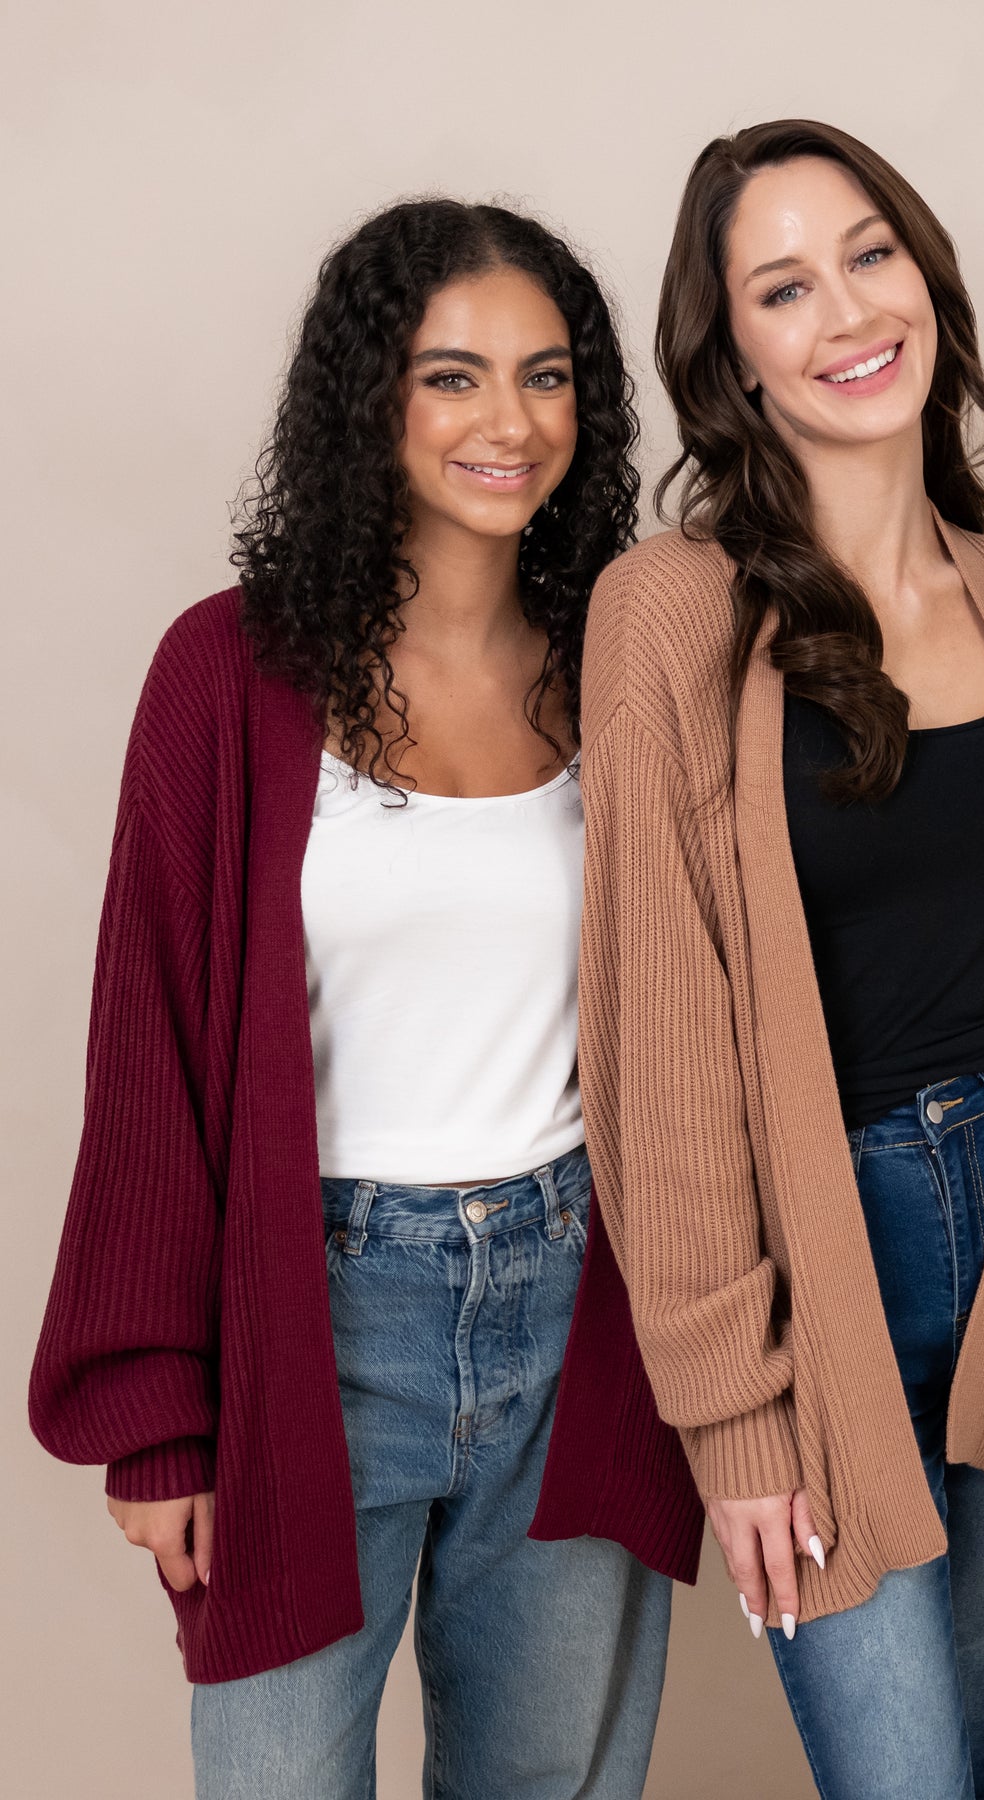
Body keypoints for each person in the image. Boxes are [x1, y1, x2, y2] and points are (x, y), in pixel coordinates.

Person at [544, 119, 984, 1800]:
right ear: (735, 358)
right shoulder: (672, 611)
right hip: (828, 1267)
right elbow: (657, 1033)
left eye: (868, 254)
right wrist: (733, 1407)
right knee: (905, 1773)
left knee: (962, 1753)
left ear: (926, 278)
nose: (843, 310)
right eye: (782, 286)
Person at [29, 199, 699, 1800]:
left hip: (574, 1297)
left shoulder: (620, 670)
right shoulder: (227, 677)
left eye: (546, 378)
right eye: (451, 376)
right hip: (313, 1324)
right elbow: (152, 1054)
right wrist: (156, 1422)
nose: (507, 423)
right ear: (371, 402)